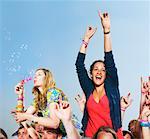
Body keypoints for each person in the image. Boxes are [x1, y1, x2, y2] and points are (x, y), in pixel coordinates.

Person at [75, 11, 123, 138]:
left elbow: (109, 57)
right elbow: (79, 65)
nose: (99, 72)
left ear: (106, 74)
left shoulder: (112, 86)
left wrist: (106, 31)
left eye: (102, 69)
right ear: (91, 74)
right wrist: (86, 40)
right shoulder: (88, 88)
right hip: (90, 136)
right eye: (96, 69)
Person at [12, 68, 68, 138]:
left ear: (46, 78)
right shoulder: (38, 100)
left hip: (71, 135)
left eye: (39, 75)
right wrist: (20, 95)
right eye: (35, 75)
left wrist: (28, 117)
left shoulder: (53, 92)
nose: (35, 77)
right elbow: (21, 118)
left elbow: (55, 123)